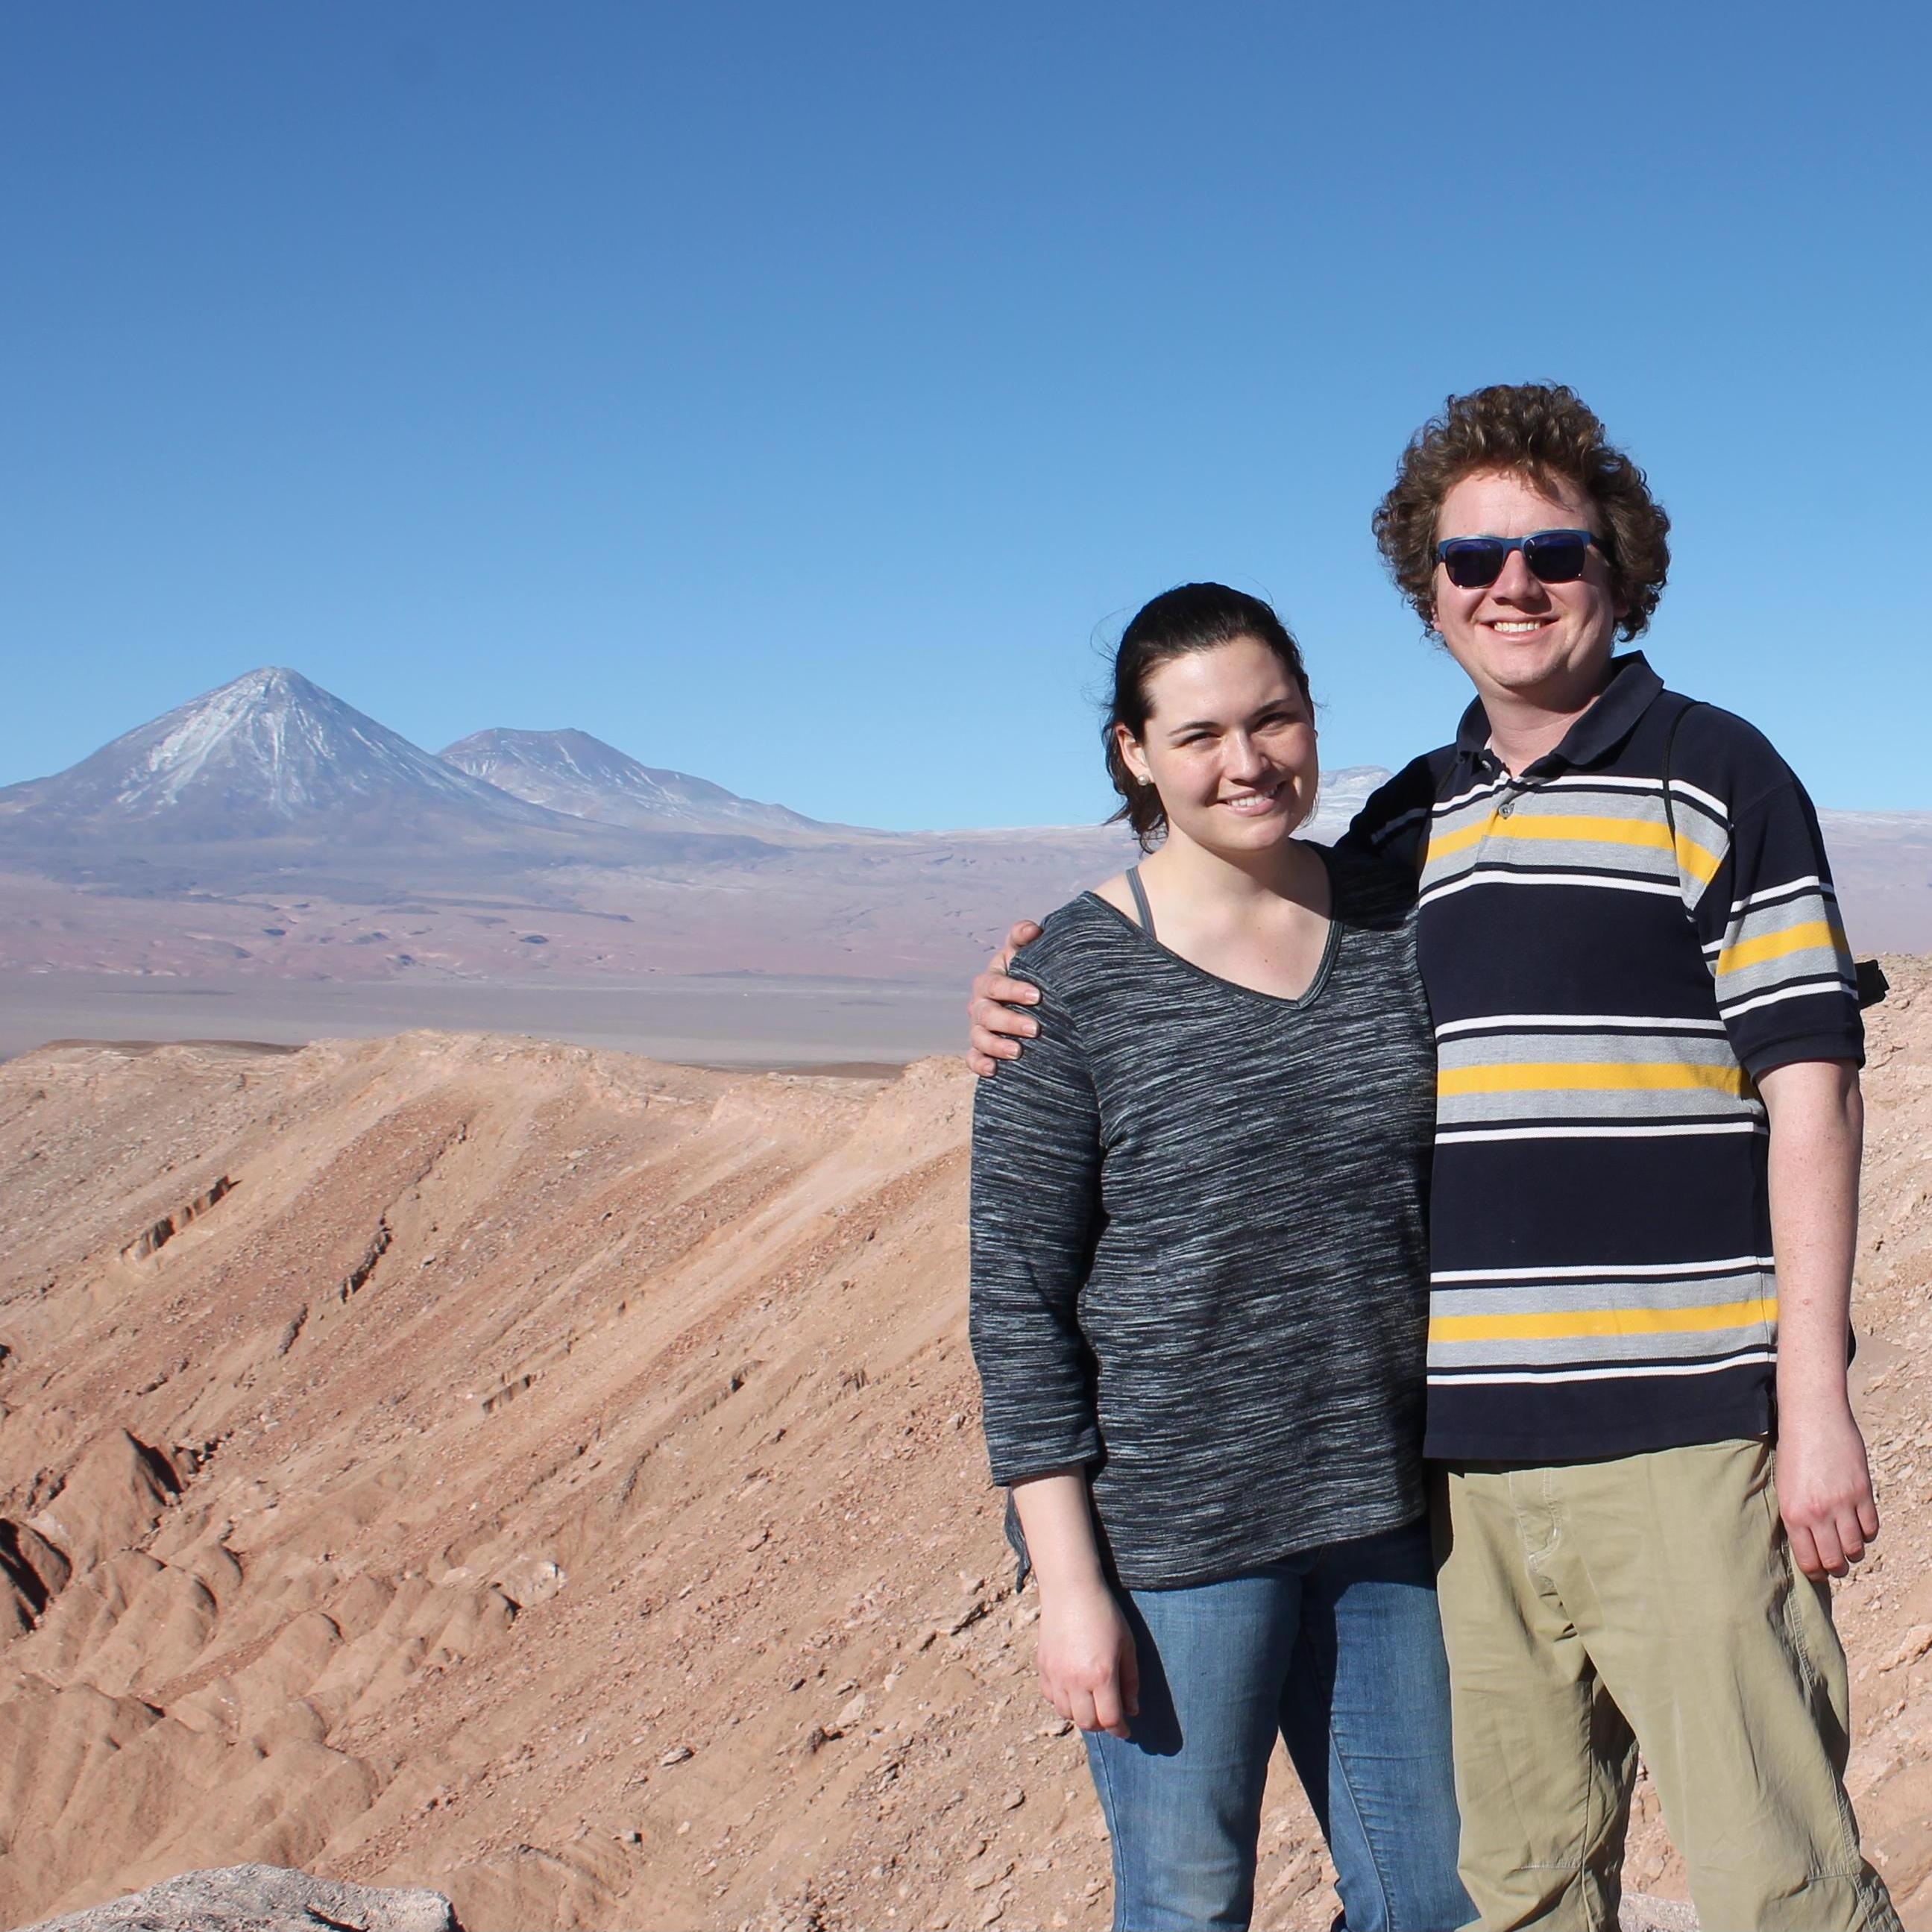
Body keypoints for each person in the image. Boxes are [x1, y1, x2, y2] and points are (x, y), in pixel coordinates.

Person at [970, 386, 1900, 1932]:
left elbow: (1813, 1083)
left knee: (1774, 1882)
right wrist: (1033, 970)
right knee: (1508, 1890)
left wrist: (1815, 1403)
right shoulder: (1415, 828)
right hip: (1458, 1483)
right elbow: (1220, 908)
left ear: (1619, 563)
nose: (1512, 585)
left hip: (1674, 1438)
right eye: (1472, 561)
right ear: (1430, 591)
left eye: (1552, 548)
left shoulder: (1718, 774)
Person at [970, 581, 1471, 1932]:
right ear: (1133, 753)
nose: (1246, 761)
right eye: (1198, 735)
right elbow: (1017, 1308)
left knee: (1429, 1900)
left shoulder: (1395, 919)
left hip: (1386, 1519)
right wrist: (1070, 1588)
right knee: (1190, 1904)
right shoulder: (1066, 983)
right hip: (1174, 1547)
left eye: (1274, 719)